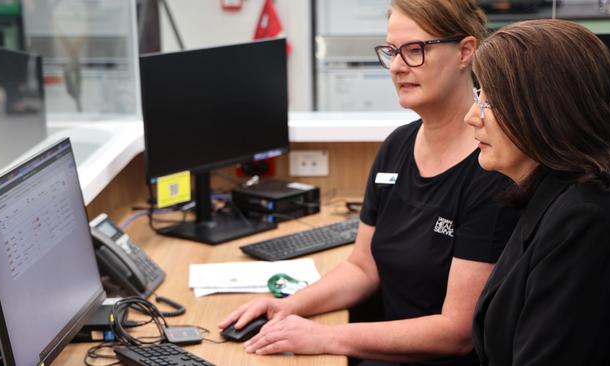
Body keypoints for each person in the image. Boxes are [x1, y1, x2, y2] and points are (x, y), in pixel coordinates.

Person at [219, 1, 518, 365]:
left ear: (465, 52)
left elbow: (456, 332)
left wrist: (326, 336)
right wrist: (287, 307)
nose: (396, 67)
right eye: (391, 51)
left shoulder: (491, 169)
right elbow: (364, 266)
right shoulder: (397, 146)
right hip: (382, 351)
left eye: (414, 50)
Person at [464, 19, 610, 365]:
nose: (471, 117)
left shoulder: (584, 221)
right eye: (479, 96)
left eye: (488, 101)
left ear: (545, 109)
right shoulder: (548, 195)